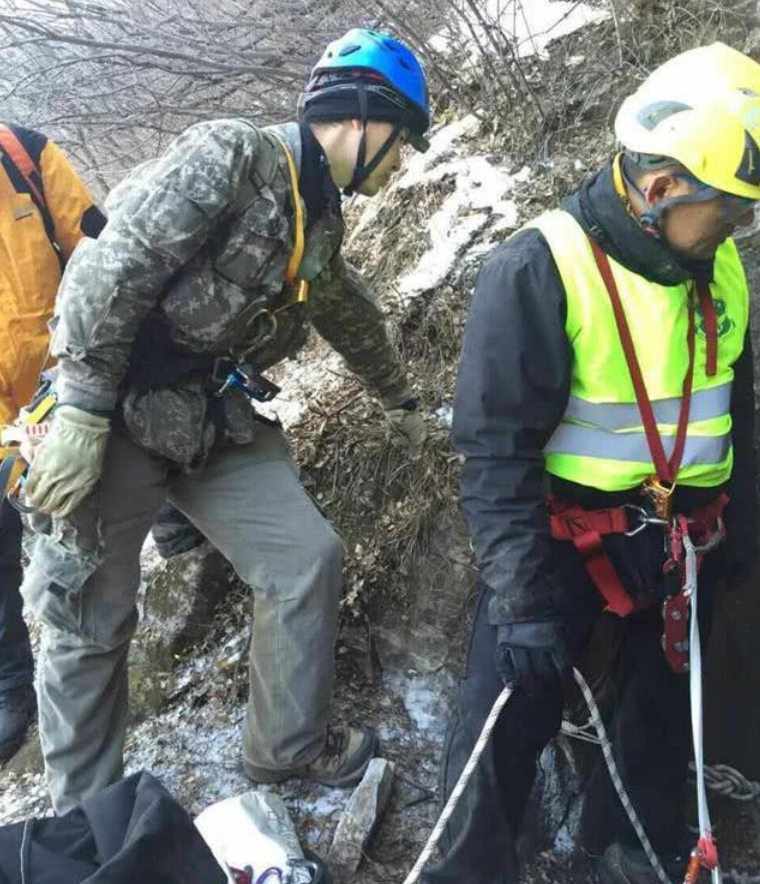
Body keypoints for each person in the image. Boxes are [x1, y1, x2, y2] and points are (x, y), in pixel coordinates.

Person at [21, 28, 430, 815]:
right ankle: (87, 819)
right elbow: (110, 267)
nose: (403, 160)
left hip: (211, 416)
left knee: (305, 557)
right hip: (117, 411)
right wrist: (77, 409)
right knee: (88, 619)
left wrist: (399, 398)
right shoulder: (232, 155)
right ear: (358, 119)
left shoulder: (321, 211)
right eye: (400, 139)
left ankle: (284, 751)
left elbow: (345, 307)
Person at [425, 42, 759, 884]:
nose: (737, 229)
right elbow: (494, 450)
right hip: (558, 545)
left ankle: (626, 857)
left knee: (649, 728)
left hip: (678, 545)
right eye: (726, 211)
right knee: (502, 721)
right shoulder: (541, 269)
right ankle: (469, 870)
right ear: (660, 189)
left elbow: (732, 408)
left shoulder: (716, 268)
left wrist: (737, 528)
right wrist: (525, 598)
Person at [0, 124, 107, 762]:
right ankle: (13, 684)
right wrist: (14, 439)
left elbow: (101, 251)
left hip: (74, 369)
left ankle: (181, 529)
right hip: (6, 412)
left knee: (129, 444)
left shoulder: (24, 155)